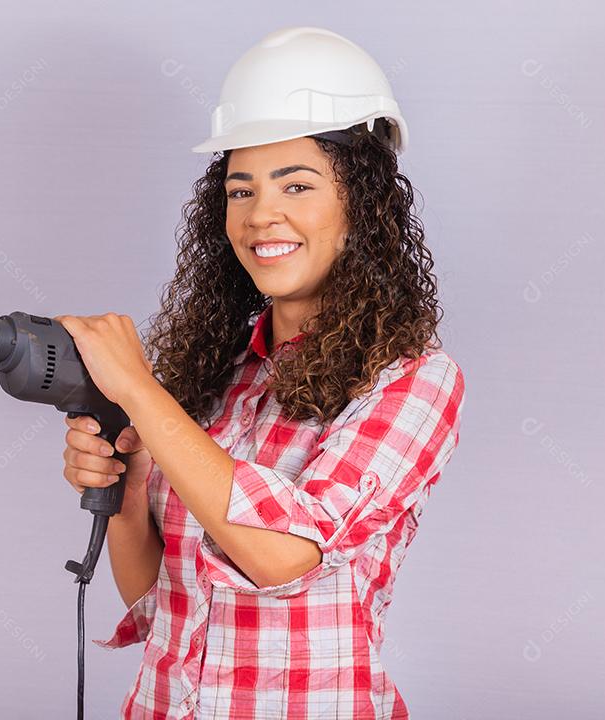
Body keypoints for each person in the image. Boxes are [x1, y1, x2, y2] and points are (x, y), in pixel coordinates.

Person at [55, 26, 465, 720]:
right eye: (239, 191)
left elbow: (284, 556)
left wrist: (140, 391)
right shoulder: (213, 373)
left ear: (361, 210)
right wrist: (123, 495)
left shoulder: (413, 380)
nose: (260, 214)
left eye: (296, 185)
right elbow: (160, 599)